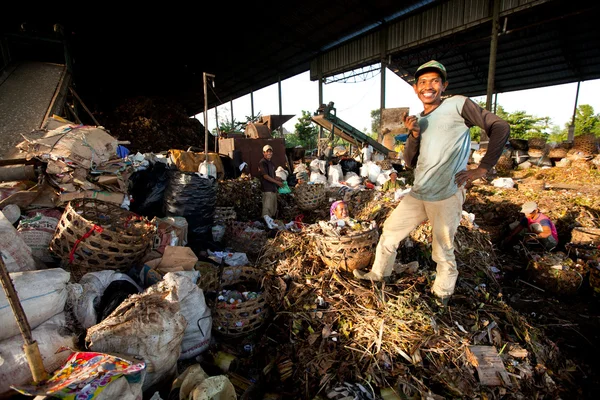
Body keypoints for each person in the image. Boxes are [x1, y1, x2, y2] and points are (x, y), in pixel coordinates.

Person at [352, 60, 510, 307]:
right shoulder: (419, 121)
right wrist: (414, 134)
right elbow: (410, 161)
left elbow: (500, 126)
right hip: (419, 193)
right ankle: (379, 275)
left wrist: (483, 168)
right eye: (423, 82)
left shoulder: (458, 105)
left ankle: (442, 295)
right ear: (416, 88)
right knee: (390, 233)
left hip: (446, 194)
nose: (428, 86)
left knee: (442, 249)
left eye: (435, 81)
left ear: (443, 85)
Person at [258, 144, 283, 218]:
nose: (269, 153)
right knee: (267, 209)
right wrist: (277, 182)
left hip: (273, 189)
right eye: (267, 151)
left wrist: (278, 178)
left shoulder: (271, 163)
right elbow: (265, 176)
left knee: (273, 209)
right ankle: (266, 225)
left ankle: (271, 224)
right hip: (267, 189)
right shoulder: (262, 162)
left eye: (270, 151)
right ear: (263, 153)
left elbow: (272, 175)